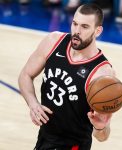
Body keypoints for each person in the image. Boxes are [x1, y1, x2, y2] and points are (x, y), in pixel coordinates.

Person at [18, 3, 115, 150]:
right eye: (75, 24)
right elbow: (25, 74)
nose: (77, 31)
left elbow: (103, 136)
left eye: (84, 27)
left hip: (73, 145)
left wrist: (101, 127)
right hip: (45, 138)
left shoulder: (102, 73)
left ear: (98, 31)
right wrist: (33, 104)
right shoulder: (53, 42)